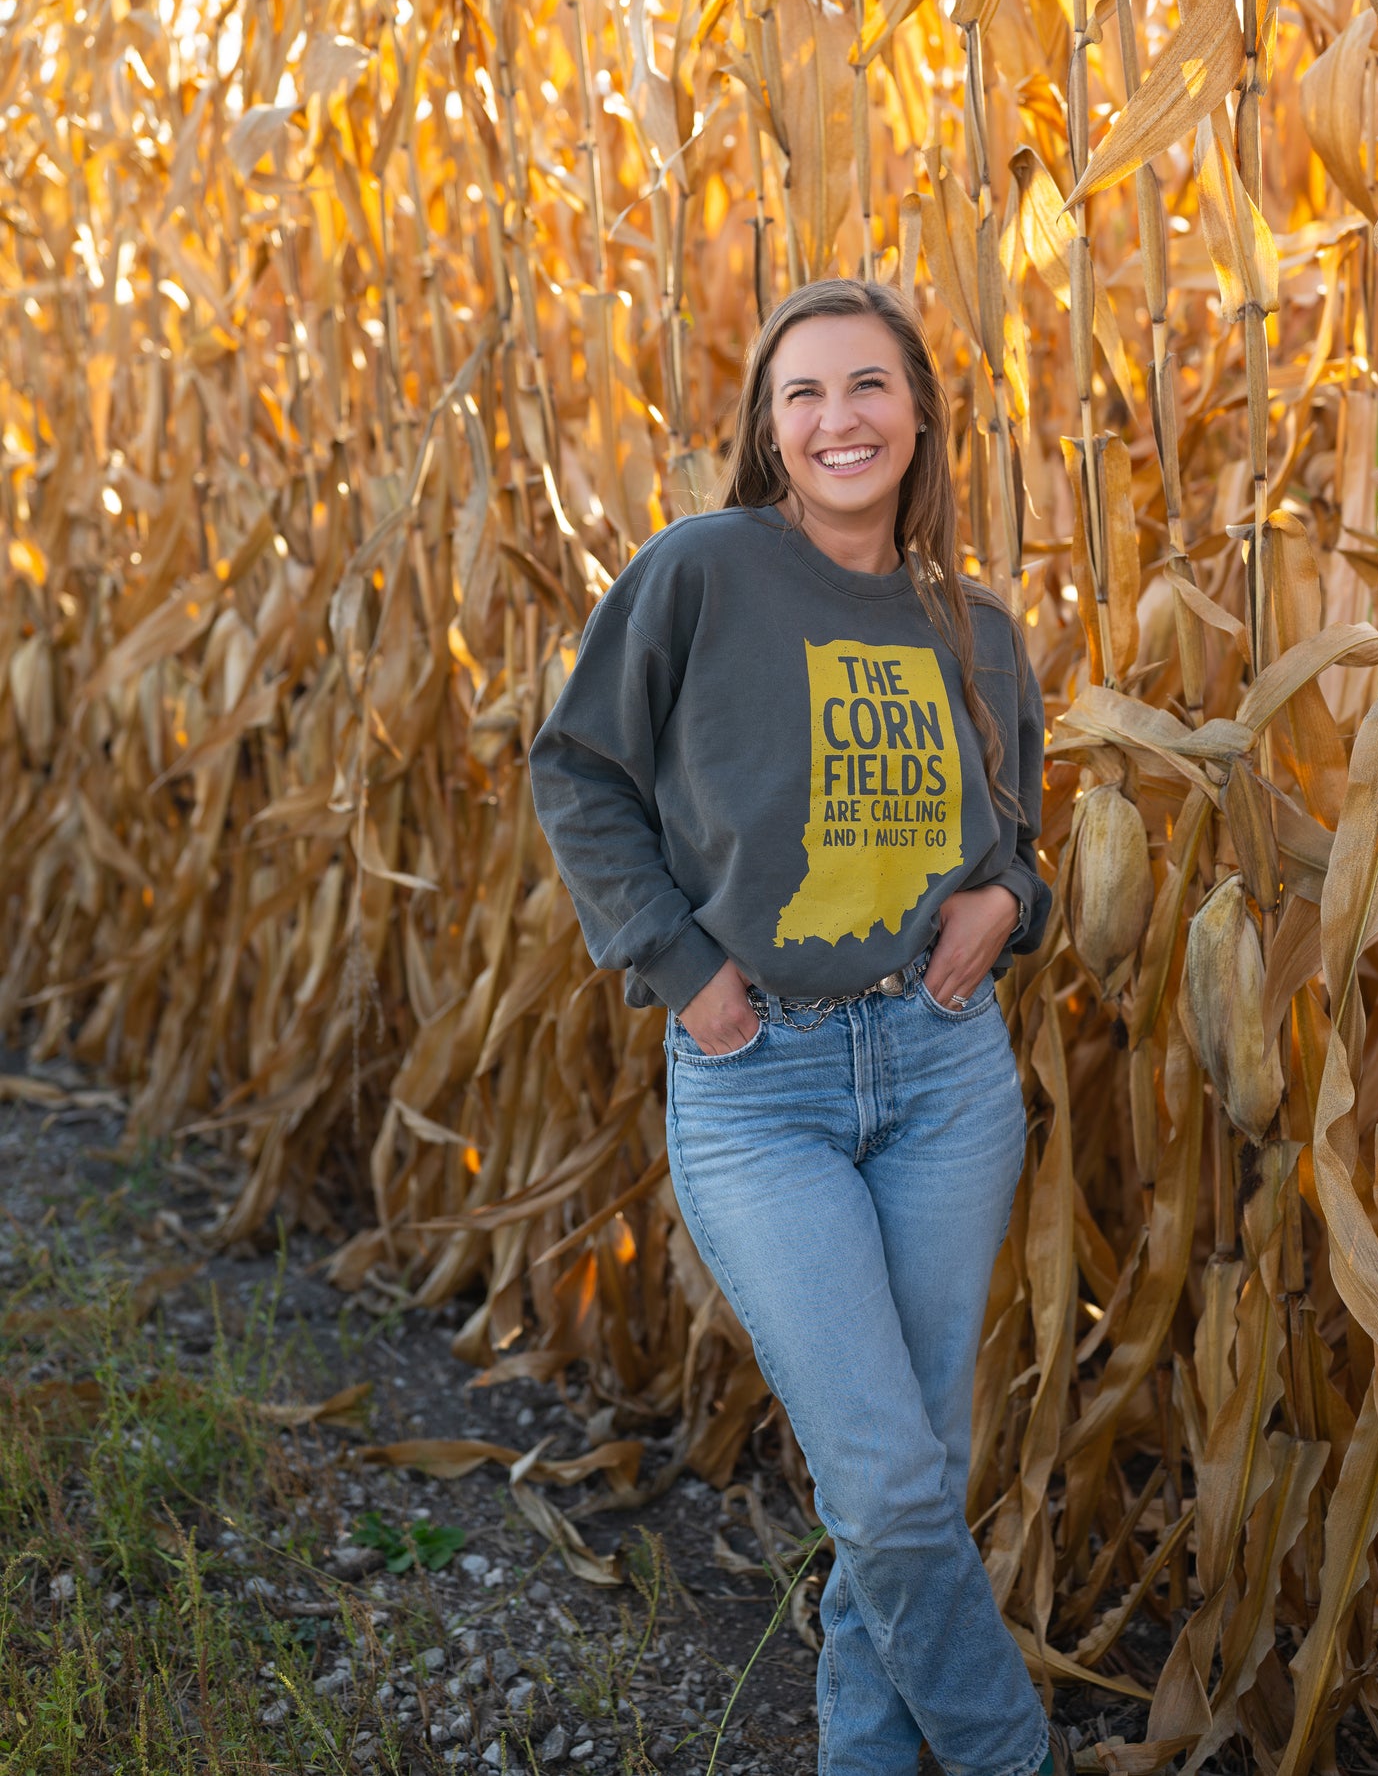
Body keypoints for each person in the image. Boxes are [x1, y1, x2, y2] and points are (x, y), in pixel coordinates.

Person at [530, 279, 1067, 1776]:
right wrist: (682, 970)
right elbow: (577, 773)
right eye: (803, 395)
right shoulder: (700, 572)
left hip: (940, 1069)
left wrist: (1007, 906)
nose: (839, 420)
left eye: (868, 387)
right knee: (891, 1483)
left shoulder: (978, 631)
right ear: (768, 434)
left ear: (919, 416)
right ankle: (1009, 1757)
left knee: (904, 1478)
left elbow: (1014, 842)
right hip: (760, 1077)